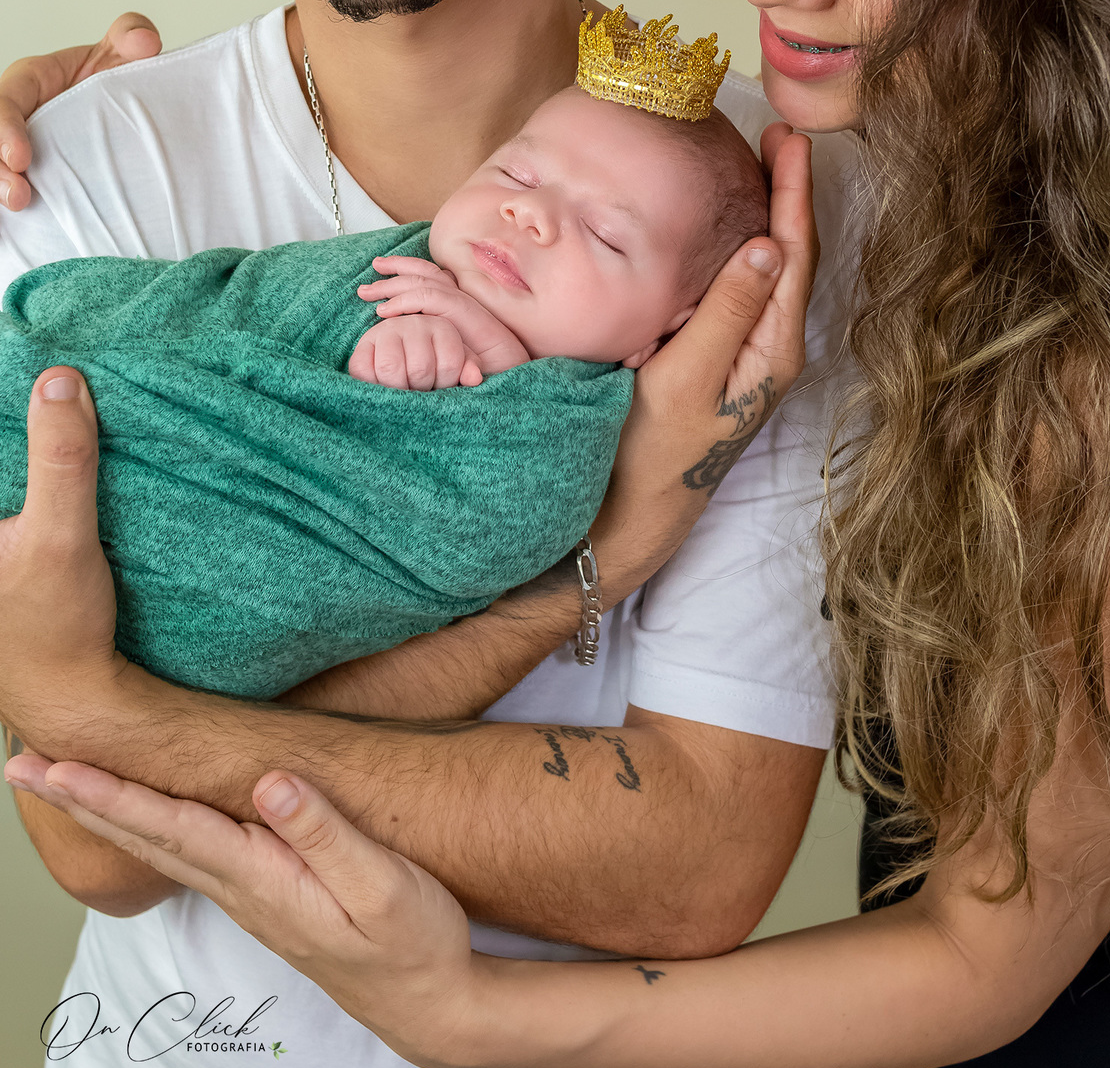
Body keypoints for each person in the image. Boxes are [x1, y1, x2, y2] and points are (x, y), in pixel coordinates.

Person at [15, 0, 1110, 1068]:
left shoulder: (899, 264)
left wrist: (459, 1008)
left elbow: (876, 917)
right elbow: (86, 841)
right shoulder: (911, 187)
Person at [0, 0, 839, 1068]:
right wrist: (599, 551)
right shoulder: (79, 180)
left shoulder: (757, 221)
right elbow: (97, 847)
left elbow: (688, 864)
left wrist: (152, 730)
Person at [0, 65, 768, 700]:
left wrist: (483, 375)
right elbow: (244, 303)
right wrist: (365, 327)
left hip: (222, 583)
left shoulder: (574, 429)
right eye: (517, 171)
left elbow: (490, 530)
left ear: (668, 333)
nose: (527, 213)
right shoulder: (394, 266)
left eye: (605, 234)